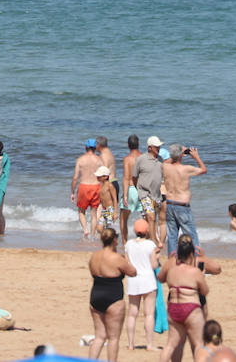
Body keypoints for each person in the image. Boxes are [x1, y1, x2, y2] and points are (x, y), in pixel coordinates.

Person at [87, 226, 137, 361]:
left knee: (99, 336)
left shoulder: (94, 256)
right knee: (114, 338)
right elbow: (133, 272)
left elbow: (92, 272)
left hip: (96, 295)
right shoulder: (116, 258)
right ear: (114, 240)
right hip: (113, 297)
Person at [159, 234, 209, 362]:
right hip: (191, 307)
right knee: (198, 344)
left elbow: (160, 278)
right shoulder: (195, 272)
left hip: (174, 307)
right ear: (192, 254)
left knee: (171, 345)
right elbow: (205, 291)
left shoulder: (172, 270)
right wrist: (201, 275)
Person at [162, 144, 207, 253]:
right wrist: (196, 157)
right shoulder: (186, 169)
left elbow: (165, 162)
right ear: (181, 155)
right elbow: (203, 170)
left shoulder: (165, 167)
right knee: (192, 236)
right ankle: (196, 261)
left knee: (172, 237)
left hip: (170, 204)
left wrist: (177, 155)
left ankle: (172, 262)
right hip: (182, 206)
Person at [124, 218, 159, 352]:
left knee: (132, 314)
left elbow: (128, 264)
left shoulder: (128, 245)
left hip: (133, 280)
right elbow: (154, 265)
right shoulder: (150, 245)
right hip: (148, 280)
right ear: (147, 231)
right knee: (149, 314)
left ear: (134, 230)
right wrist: (157, 258)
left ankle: (131, 344)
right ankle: (149, 344)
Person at [133, 136, 165, 247]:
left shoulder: (160, 160)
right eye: (156, 146)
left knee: (152, 219)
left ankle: (147, 238)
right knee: (151, 216)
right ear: (150, 147)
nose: (159, 148)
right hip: (144, 193)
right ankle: (152, 242)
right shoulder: (141, 159)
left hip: (156, 195)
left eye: (159, 146)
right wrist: (139, 189)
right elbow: (134, 177)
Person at [72, 138, 103, 238]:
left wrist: (72, 192)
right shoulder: (99, 160)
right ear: (95, 148)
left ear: (85, 147)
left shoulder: (80, 160)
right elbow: (104, 176)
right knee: (94, 213)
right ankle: (93, 235)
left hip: (83, 186)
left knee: (81, 211)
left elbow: (75, 177)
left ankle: (86, 231)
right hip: (96, 186)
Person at [121, 135, 142, 245]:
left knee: (123, 218)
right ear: (139, 144)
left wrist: (125, 195)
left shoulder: (127, 159)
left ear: (128, 145)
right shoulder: (144, 157)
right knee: (147, 219)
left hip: (131, 189)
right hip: (142, 190)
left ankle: (125, 244)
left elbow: (126, 178)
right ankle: (146, 241)